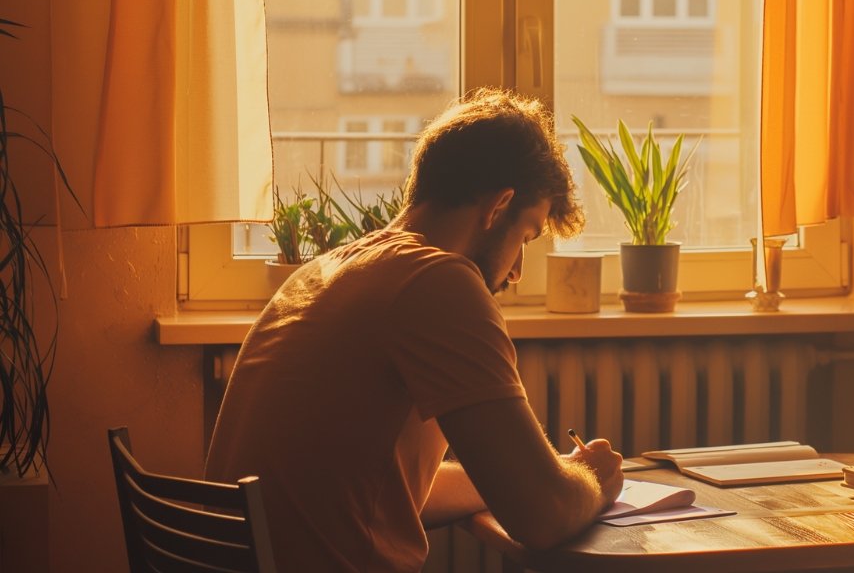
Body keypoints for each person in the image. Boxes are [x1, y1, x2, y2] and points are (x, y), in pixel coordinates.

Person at [205, 89, 624, 572]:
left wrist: (536, 475)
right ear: (497, 206)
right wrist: (591, 478)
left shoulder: (330, 271)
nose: (517, 273)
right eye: (526, 237)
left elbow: (389, 490)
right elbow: (543, 519)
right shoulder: (436, 281)